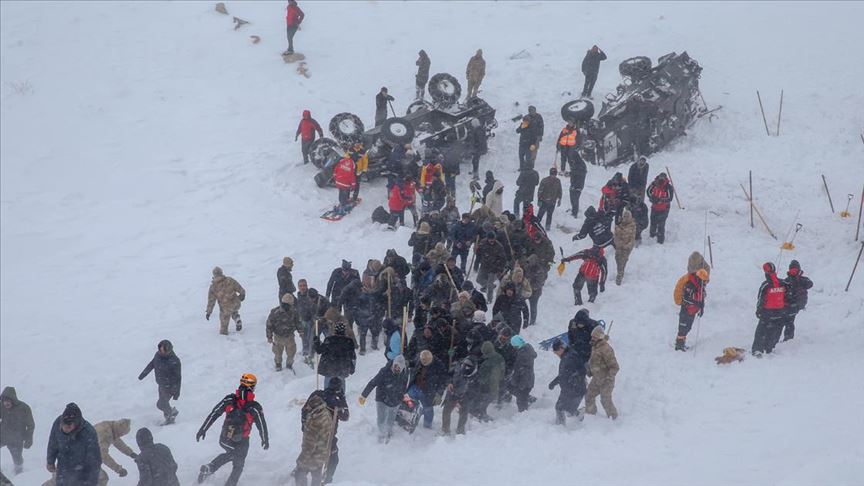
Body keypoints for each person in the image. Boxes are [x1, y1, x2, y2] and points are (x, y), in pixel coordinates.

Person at [196, 374, 269, 486]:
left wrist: (203, 429)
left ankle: (210, 468)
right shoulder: (255, 407)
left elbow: (214, 413)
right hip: (243, 440)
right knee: (238, 463)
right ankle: (222, 477)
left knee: (234, 455)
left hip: (225, 438)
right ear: (252, 387)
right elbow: (262, 425)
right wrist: (265, 439)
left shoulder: (229, 399)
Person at [46, 403, 101, 486]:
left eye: (69, 427)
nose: (65, 428)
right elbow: (53, 442)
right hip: (63, 470)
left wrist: (90, 483)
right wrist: (50, 461)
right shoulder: (57, 423)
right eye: (63, 425)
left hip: (82, 474)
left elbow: (94, 462)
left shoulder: (88, 433)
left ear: (76, 424)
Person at [137, 340, 181, 425]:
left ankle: (172, 413)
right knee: (164, 403)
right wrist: (143, 375)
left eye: (164, 351)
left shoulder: (175, 361)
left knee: (161, 404)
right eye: (160, 350)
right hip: (161, 385)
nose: (161, 352)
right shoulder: (157, 355)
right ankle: (169, 418)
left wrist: (176, 393)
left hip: (170, 387)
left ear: (169, 350)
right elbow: (152, 364)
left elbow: (178, 378)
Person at [751, 263, 791, 357]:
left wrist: (758, 310)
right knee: (775, 331)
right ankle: (769, 348)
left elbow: (761, 299)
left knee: (761, 331)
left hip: (767, 313)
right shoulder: (783, 283)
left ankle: (757, 349)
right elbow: (788, 296)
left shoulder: (766, 285)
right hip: (780, 312)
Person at [293, 393, 333, 486]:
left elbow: (309, 445)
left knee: (299, 474)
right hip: (321, 453)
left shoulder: (315, 421)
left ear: (314, 407)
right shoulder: (326, 413)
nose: (307, 408)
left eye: (309, 407)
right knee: (316, 476)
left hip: (312, 456)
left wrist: (301, 460)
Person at [549, 340, 586, 425]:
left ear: (561, 348)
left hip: (574, 389)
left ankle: (560, 427)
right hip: (571, 388)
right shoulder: (567, 355)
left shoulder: (569, 358)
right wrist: (554, 382)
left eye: (556, 352)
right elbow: (564, 374)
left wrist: (574, 380)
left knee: (560, 408)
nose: (556, 354)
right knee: (568, 409)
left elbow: (582, 371)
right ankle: (580, 416)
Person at [585, 326, 619, 419]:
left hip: (606, 381)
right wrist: (589, 370)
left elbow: (615, 367)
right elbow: (594, 362)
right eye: (592, 337)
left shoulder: (606, 349)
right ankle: (591, 417)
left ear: (600, 338)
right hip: (596, 379)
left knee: (605, 401)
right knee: (589, 396)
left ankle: (614, 418)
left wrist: (608, 378)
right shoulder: (594, 347)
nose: (592, 339)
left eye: (595, 337)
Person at [0, 387, 34, 475]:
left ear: (13, 399)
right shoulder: (1, 406)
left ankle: (19, 473)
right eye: (4, 401)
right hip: (2, 435)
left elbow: (30, 425)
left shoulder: (24, 408)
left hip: (17, 438)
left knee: (17, 458)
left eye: (8, 401)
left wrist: (29, 439)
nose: (6, 403)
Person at [441, 356, 478, 435]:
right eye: (464, 365)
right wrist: (449, 382)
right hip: (452, 393)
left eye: (468, 366)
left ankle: (460, 431)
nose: (465, 367)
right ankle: (445, 430)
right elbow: (448, 375)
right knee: (446, 411)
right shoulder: (457, 366)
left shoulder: (475, 377)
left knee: (464, 413)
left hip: (465, 397)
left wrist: (461, 399)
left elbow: (474, 392)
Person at [314, 323, 356, 391]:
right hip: (343, 367)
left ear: (335, 330)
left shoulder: (329, 340)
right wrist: (352, 368)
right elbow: (353, 357)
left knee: (327, 384)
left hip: (329, 367)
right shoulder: (349, 341)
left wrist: (316, 342)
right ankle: (341, 397)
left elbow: (319, 350)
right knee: (341, 384)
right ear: (344, 331)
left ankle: (327, 396)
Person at [267, 294, 304, 371]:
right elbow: (269, 325)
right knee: (277, 352)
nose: (287, 306)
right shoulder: (275, 312)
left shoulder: (294, 312)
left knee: (291, 352)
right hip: (278, 336)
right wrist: (269, 336)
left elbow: (298, 322)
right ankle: (278, 364)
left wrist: (301, 331)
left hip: (289, 336)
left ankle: (289, 364)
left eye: (289, 305)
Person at [94, 419, 136, 484]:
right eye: (121, 434)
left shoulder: (111, 427)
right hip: (80, 458)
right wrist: (118, 469)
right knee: (102, 478)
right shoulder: (105, 434)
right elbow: (103, 456)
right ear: (119, 431)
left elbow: (117, 441)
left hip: (83, 454)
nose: (121, 436)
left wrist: (130, 453)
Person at [206, 267, 245, 335]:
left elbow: (211, 301)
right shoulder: (230, 280)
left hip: (225, 309)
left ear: (214, 275)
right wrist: (242, 294)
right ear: (221, 272)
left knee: (223, 326)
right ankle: (236, 318)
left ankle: (224, 336)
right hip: (236, 304)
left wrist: (209, 312)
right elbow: (240, 288)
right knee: (233, 310)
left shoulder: (213, 287)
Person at [782, 260, 813, 342]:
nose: (793, 272)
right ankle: (787, 338)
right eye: (792, 270)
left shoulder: (802, 280)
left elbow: (810, 284)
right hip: (789, 303)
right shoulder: (787, 280)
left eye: (795, 270)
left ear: (798, 270)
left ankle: (788, 338)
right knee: (788, 320)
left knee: (789, 320)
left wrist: (799, 280)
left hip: (797, 303)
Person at [475, 341, 504, 421]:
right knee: (487, 400)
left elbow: (481, 378)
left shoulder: (486, 364)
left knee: (482, 402)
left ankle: (482, 415)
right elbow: (502, 370)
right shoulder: (500, 357)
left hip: (487, 387)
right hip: (498, 384)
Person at [475, 232, 508, 302]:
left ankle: (489, 299)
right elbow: (478, 253)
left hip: (493, 267)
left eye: (493, 239)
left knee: (490, 284)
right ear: (487, 239)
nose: (492, 241)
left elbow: (503, 259)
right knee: (478, 279)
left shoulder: (499, 246)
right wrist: (476, 249)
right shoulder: (482, 242)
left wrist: (499, 268)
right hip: (484, 265)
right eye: (490, 240)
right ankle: (489, 286)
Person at [508, 336, 536, 412]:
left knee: (520, 401)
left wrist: (513, 381)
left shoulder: (521, 355)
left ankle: (523, 416)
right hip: (529, 379)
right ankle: (528, 398)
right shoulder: (529, 348)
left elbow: (518, 371)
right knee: (522, 396)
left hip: (523, 382)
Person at [647, 173, 674, 244]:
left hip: (664, 208)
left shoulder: (668, 187)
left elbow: (670, 198)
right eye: (660, 179)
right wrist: (652, 197)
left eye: (662, 179)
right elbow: (648, 192)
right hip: (654, 207)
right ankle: (652, 236)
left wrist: (660, 200)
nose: (661, 181)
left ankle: (660, 240)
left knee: (661, 224)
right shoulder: (654, 184)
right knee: (653, 221)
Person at [613, 208, 636, 285]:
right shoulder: (619, 224)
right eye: (624, 216)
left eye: (627, 216)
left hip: (627, 247)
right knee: (617, 259)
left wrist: (627, 246)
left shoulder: (632, 226)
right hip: (619, 246)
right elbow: (615, 236)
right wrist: (618, 244)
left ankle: (620, 275)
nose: (625, 218)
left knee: (623, 260)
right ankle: (620, 271)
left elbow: (632, 238)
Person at [569, 149, 588, 218]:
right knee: (572, 198)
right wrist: (570, 173)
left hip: (578, 185)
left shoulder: (581, 164)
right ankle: (573, 210)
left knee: (575, 199)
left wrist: (573, 173)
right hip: (573, 184)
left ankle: (575, 213)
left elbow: (581, 173)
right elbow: (574, 172)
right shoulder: (575, 163)